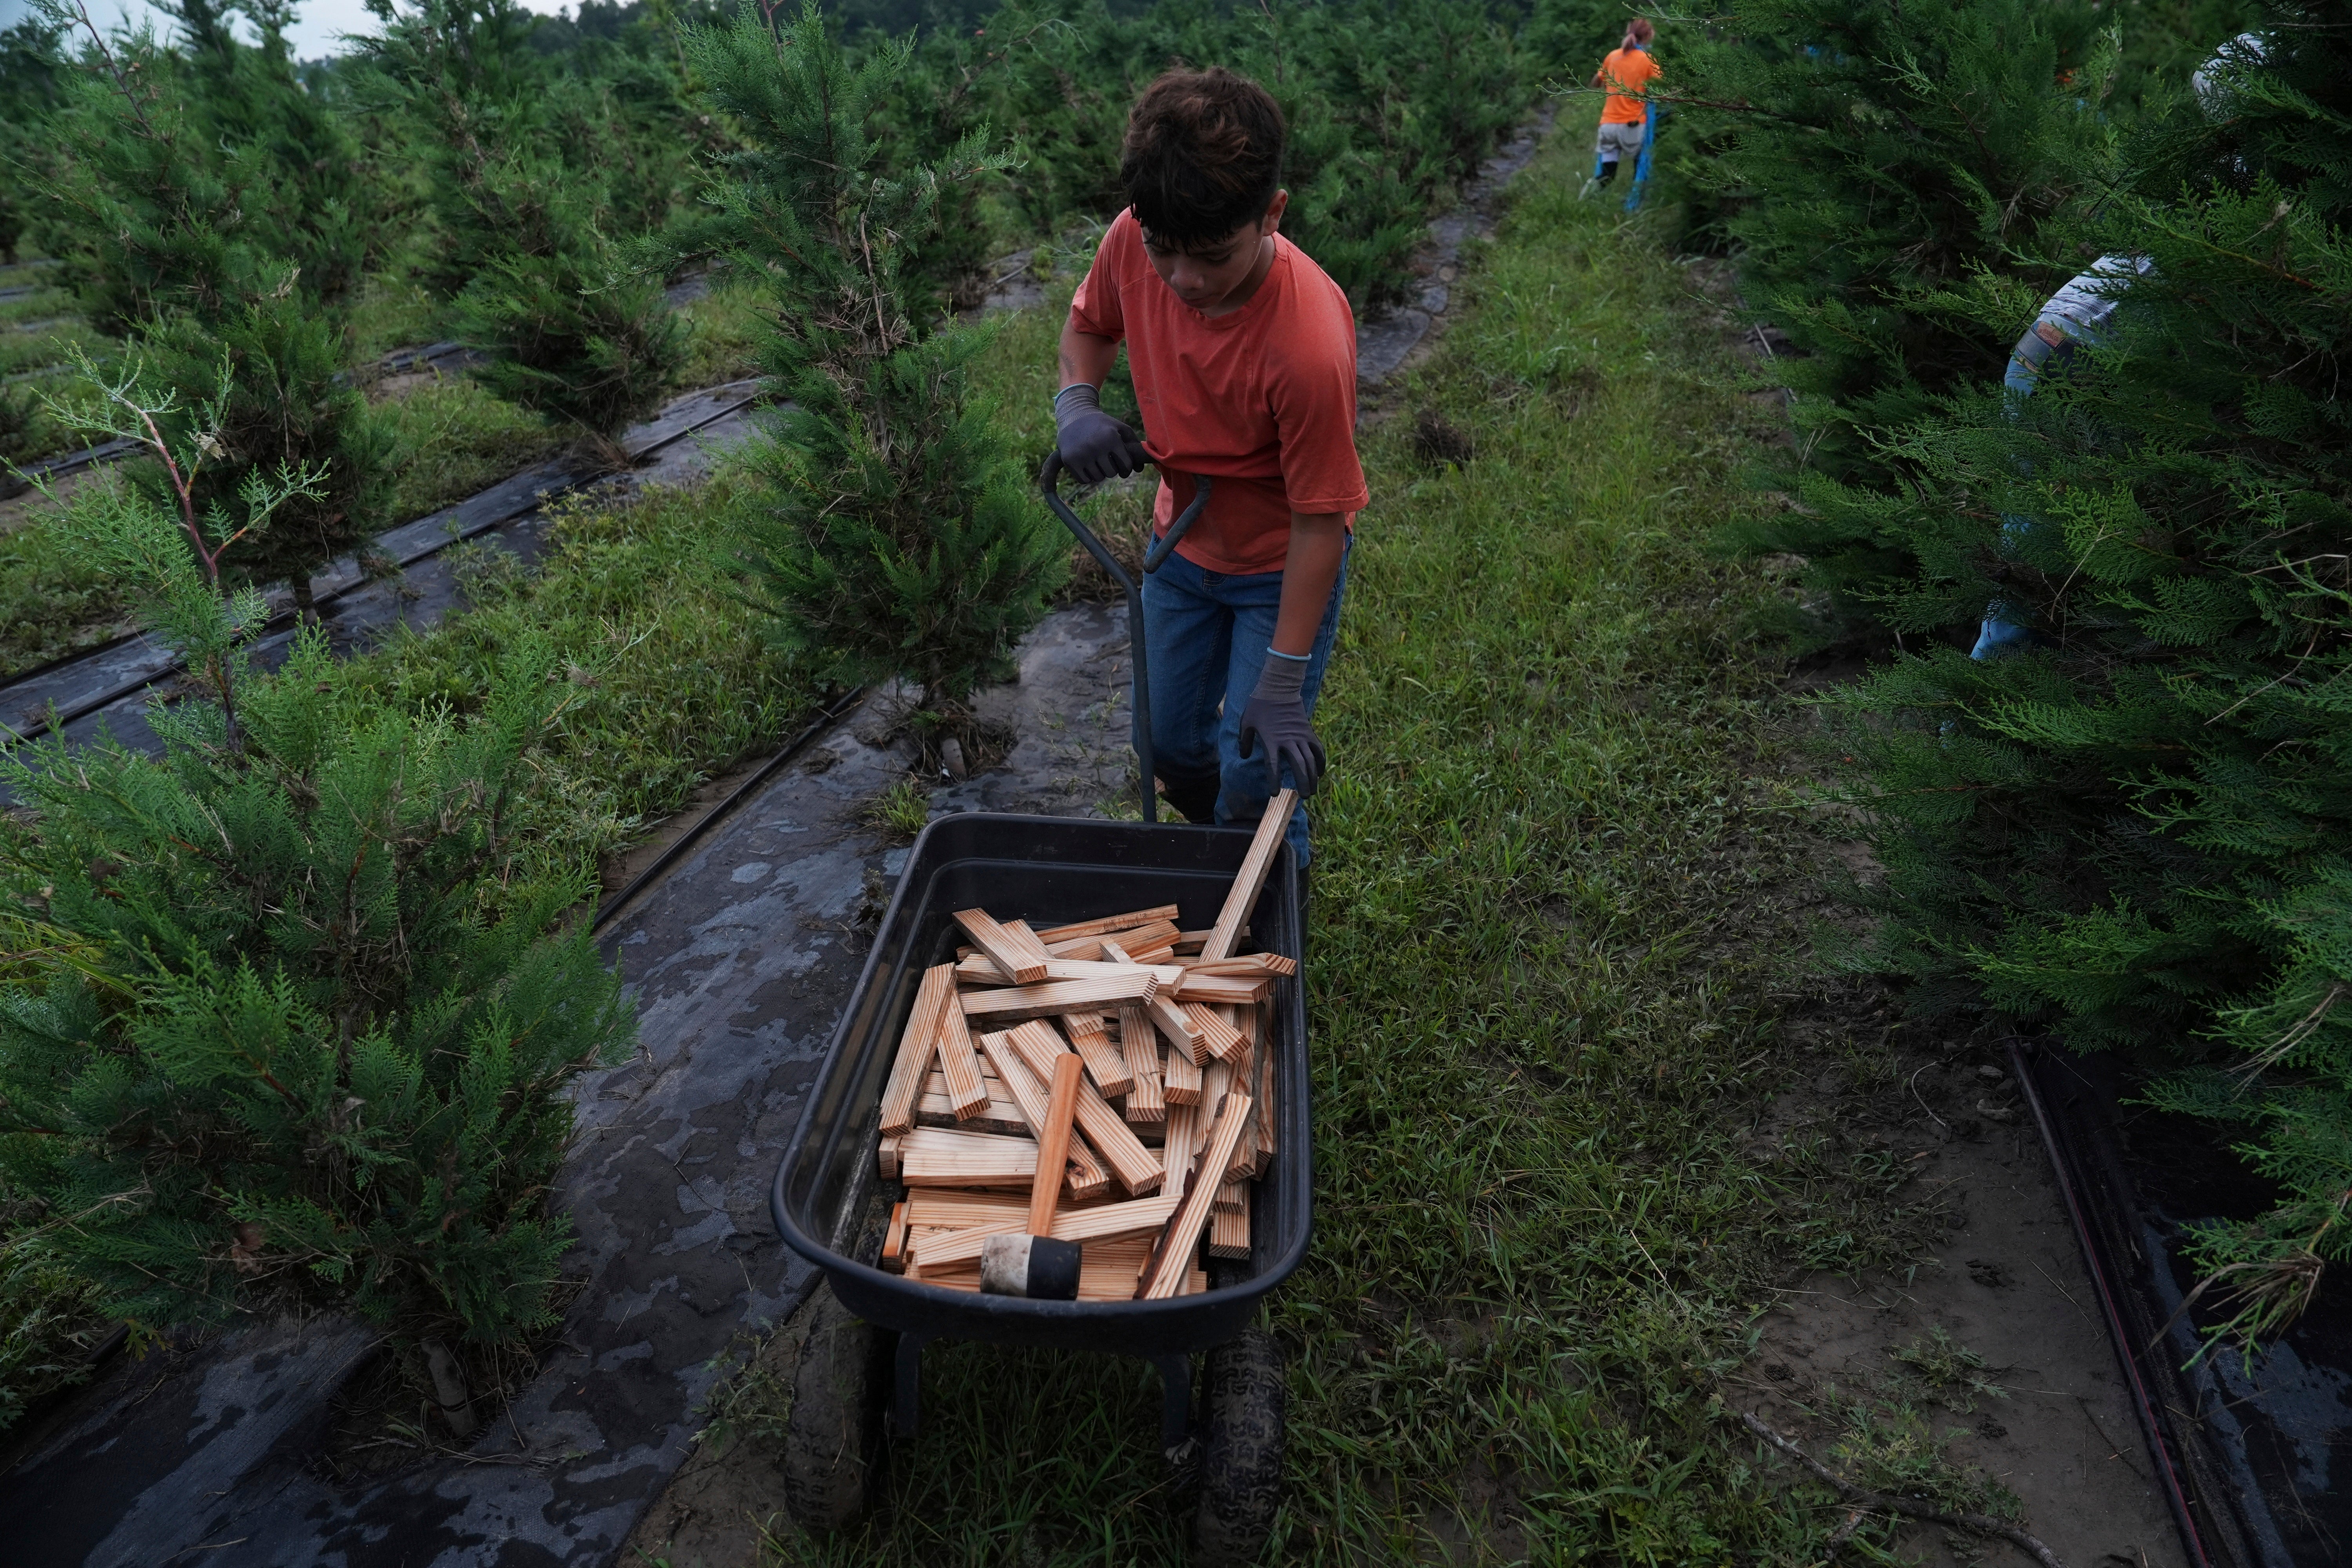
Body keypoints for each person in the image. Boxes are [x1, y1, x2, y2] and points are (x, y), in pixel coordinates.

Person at [1053, 67, 1366, 881]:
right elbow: (1089, 327)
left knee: (1257, 763)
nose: (1185, 281)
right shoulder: (1134, 237)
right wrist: (1077, 405)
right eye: (1166, 253)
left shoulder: (1306, 344)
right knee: (1163, 740)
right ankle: (1216, 850)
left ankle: (1272, 901)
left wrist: (1284, 680)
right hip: (1181, 551)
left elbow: (1320, 518)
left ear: (1272, 215)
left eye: (1213, 258)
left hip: (1276, 564)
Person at [1589, 18, 1660, 189]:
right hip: (1633, 127)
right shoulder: (1649, 60)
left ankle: (1587, 201)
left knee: (1606, 175)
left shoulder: (1612, 56)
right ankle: (1635, 205)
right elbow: (1662, 90)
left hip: (1608, 126)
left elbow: (1596, 83)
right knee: (1641, 168)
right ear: (1649, 36)